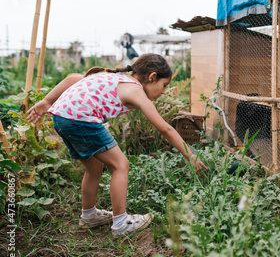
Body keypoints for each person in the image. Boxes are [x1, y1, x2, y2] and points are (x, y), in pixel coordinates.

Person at [27, 53, 207, 236]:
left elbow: (72, 79)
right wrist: (190, 155)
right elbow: (165, 129)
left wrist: (47, 101)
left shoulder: (113, 77)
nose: (163, 92)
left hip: (61, 116)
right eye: (164, 85)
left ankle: (89, 216)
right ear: (153, 77)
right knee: (121, 165)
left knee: (94, 167)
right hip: (81, 118)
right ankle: (121, 223)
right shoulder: (135, 90)